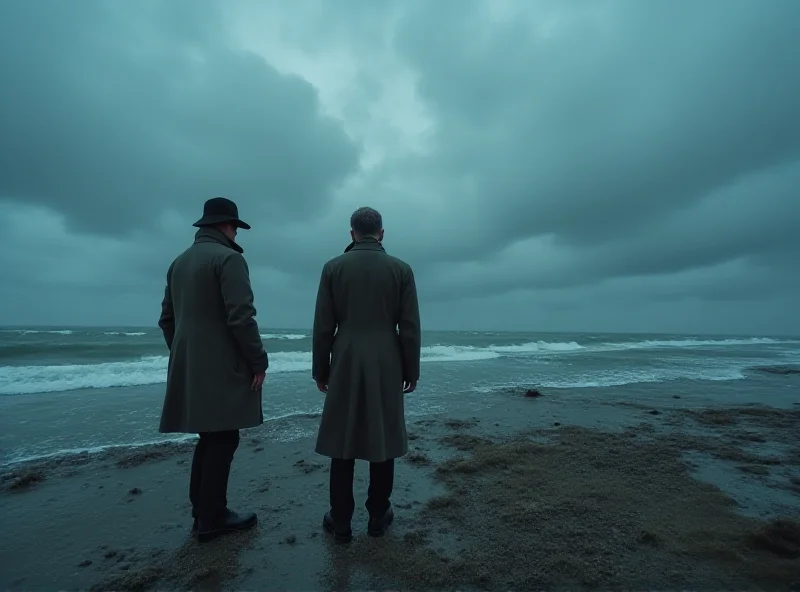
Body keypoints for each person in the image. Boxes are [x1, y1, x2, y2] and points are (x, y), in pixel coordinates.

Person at [157, 197, 268, 543]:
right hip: (224, 364)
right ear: (225, 225)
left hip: (189, 363)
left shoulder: (179, 262)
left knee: (209, 437)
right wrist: (258, 361)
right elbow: (241, 316)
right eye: (236, 226)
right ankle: (213, 517)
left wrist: (185, 354)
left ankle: (202, 511)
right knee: (224, 436)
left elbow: (166, 320)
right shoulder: (229, 259)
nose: (237, 233)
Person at [312, 206, 422, 543]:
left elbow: (322, 327)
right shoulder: (401, 269)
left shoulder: (333, 267)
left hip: (345, 357)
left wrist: (320, 369)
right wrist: (411, 369)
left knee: (342, 441)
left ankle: (341, 520)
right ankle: (377, 516)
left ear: (352, 234)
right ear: (382, 233)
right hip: (386, 359)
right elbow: (410, 328)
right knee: (382, 438)